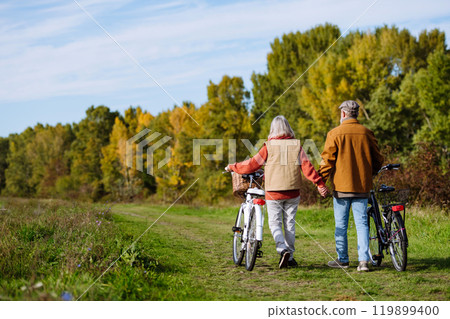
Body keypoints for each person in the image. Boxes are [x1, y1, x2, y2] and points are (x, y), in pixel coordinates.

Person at [226, 115, 329, 269]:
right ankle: (291, 257)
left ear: (273, 129)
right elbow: (308, 167)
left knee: (275, 223)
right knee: (289, 224)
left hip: (274, 192)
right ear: (288, 128)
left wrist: (233, 166)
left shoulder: (268, 146)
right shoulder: (296, 146)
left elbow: (252, 165)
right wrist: (319, 183)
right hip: (293, 192)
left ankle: (282, 250)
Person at [319, 100, 384, 272]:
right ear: (356, 114)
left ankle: (343, 259)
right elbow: (378, 159)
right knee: (362, 223)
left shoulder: (334, 133)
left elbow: (327, 162)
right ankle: (363, 261)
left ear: (343, 114)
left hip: (341, 187)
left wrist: (321, 180)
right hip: (362, 186)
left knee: (341, 225)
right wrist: (372, 172)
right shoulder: (367, 133)